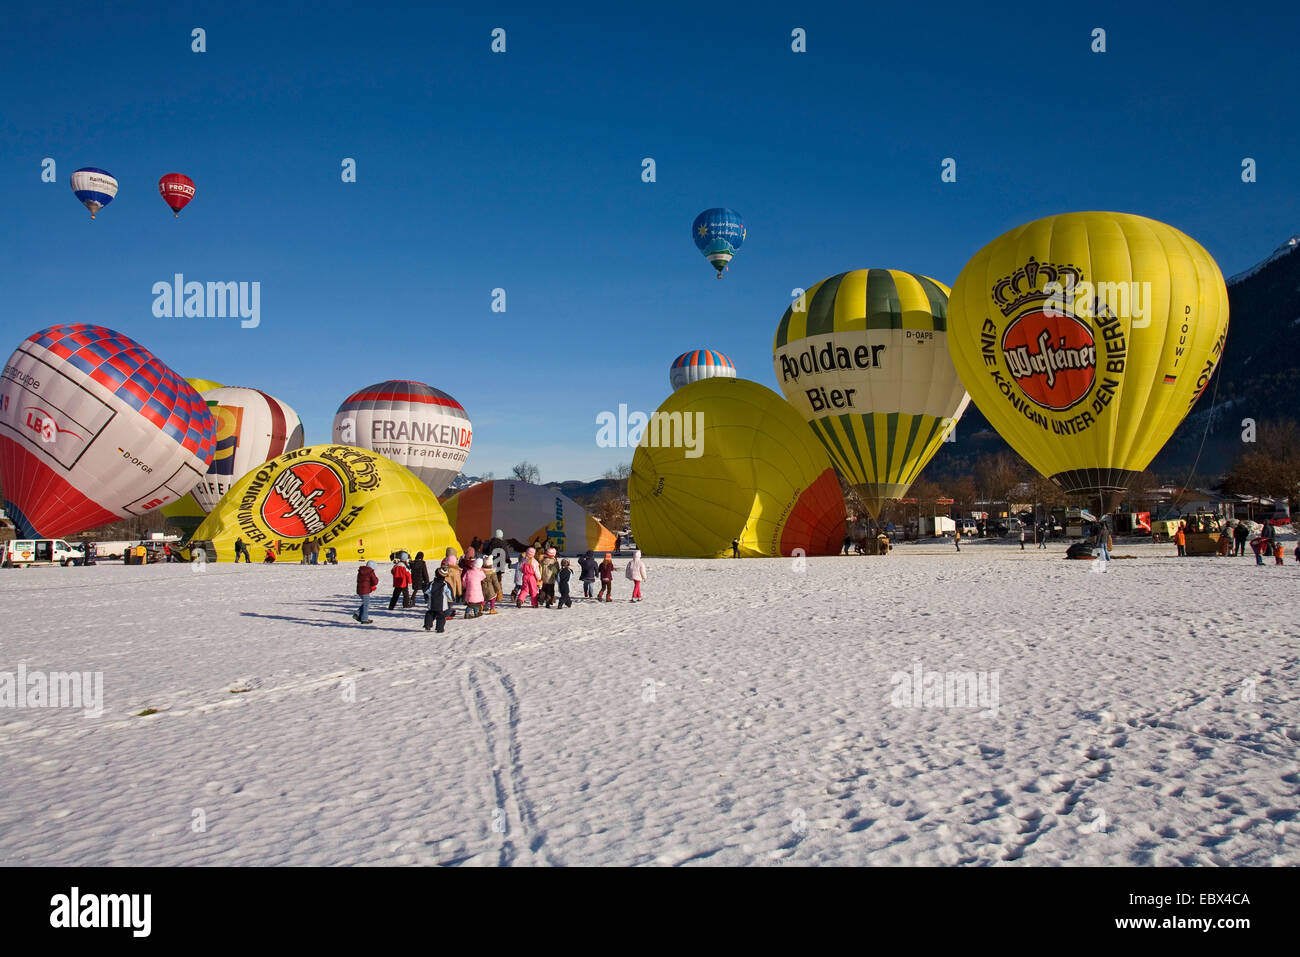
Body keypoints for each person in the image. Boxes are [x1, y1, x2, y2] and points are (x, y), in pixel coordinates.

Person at [424, 567, 450, 633]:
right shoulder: (445, 584)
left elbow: (426, 590)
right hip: (441, 605)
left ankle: (428, 624)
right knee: (441, 616)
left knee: (430, 613)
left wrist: (428, 595)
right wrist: (452, 598)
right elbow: (449, 592)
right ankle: (440, 628)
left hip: (432, 603)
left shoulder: (431, 584)